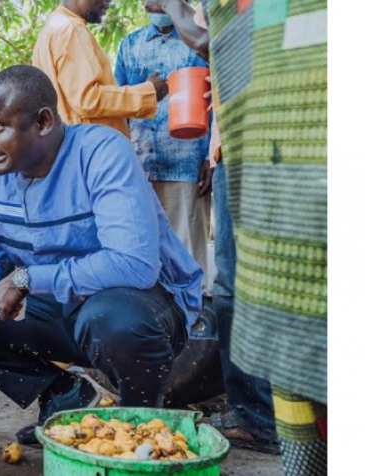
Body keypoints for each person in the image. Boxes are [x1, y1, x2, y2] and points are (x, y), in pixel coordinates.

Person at [0, 65, 202, 444]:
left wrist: (27, 278)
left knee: (113, 319)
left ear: (42, 122)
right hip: (58, 307)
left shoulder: (101, 153)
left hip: (141, 309)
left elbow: (135, 265)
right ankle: (63, 396)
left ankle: (138, 425)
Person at [145, 0, 279, 454]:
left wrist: (172, 4)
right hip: (238, 142)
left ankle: (260, 418)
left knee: (238, 285)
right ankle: (262, 409)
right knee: (238, 282)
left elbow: (213, 43)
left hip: (253, 145)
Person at [203, 0, 327, 473]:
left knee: (260, 296)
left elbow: (229, 44)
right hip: (250, 149)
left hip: (281, 150)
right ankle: (266, 418)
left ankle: (259, 418)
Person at [114, 7, 212, 293]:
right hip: (141, 167)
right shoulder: (130, 44)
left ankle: (196, 323)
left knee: (190, 256)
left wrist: (209, 157)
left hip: (188, 165)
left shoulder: (199, 42)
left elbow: (215, 100)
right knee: (147, 255)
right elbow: (117, 107)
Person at [32, 0, 168, 137]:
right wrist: (147, 93)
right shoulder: (71, 29)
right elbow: (88, 100)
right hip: (92, 148)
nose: (109, 3)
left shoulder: (52, 27)